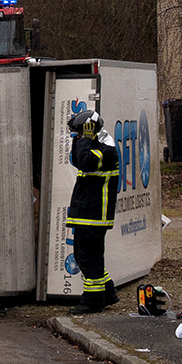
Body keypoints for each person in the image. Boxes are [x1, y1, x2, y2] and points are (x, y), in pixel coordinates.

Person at [65, 109, 120, 315]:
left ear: (91, 130)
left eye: (80, 133)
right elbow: (77, 159)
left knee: (88, 258)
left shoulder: (106, 149)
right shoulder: (94, 144)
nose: (78, 137)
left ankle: (92, 301)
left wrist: (86, 139)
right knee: (86, 256)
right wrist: (81, 139)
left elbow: (87, 163)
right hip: (87, 212)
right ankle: (107, 293)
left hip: (95, 214)